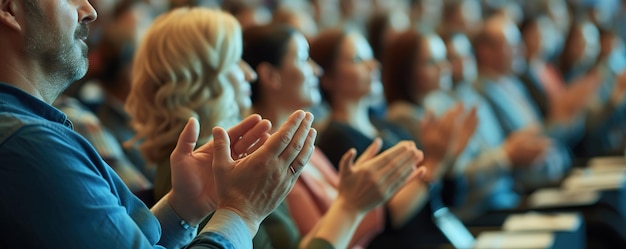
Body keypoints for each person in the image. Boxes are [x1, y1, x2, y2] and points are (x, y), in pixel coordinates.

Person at [0, 1, 317, 248]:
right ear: (9, 9)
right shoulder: (31, 143)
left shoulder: (36, 133)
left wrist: (183, 208)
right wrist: (243, 212)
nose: (90, 11)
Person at [125, 8, 424, 249]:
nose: (249, 73)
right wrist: (349, 207)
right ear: (196, 75)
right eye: (234, 61)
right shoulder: (195, 167)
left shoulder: (220, 152)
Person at [243, 24, 427, 248]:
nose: (316, 70)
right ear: (271, 76)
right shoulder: (262, 156)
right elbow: (320, 236)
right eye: (303, 59)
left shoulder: (305, 140)